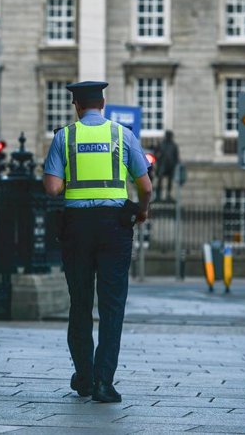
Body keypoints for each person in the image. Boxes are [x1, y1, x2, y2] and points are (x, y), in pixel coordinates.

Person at [43, 81, 153, 403]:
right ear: (103, 102)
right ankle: (105, 382)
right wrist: (142, 212)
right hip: (114, 228)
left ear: (76, 105)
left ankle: (85, 377)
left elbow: (52, 189)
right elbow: (145, 187)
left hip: (77, 229)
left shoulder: (65, 137)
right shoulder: (122, 135)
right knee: (112, 306)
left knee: (80, 305)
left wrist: (69, 184)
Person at [154, 130, 179, 201]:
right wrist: (158, 158)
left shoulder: (174, 146)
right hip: (162, 165)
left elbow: (176, 157)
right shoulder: (161, 144)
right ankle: (158, 195)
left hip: (170, 166)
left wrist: (175, 164)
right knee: (159, 180)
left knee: (170, 181)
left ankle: (168, 195)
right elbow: (155, 154)